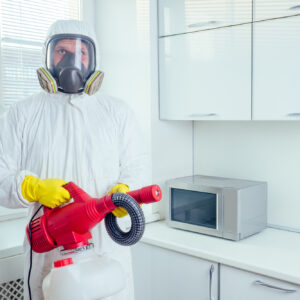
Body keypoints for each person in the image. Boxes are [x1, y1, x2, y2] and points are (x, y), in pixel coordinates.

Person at [0, 20, 149, 300]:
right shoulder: (21, 115)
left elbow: (138, 168)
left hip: (108, 248)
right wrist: (29, 187)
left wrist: (126, 192)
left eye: (81, 52)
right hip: (49, 250)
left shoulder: (117, 113)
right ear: (48, 56)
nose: (72, 60)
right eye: (62, 51)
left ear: (93, 60)